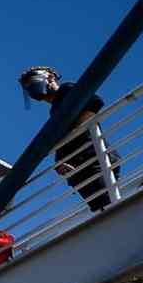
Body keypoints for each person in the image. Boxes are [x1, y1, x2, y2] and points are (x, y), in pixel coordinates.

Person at [19, 65, 121, 213]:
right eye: (27, 87)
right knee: (100, 206)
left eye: (33, 81)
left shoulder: (66, 90)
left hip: (93, 157)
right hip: (79, 165)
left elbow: (95, 101)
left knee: (107, 203)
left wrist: (77, 128)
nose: (31, 88)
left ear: (50, 78)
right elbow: (64, 141)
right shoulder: (55, 110)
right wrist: (60, 162)